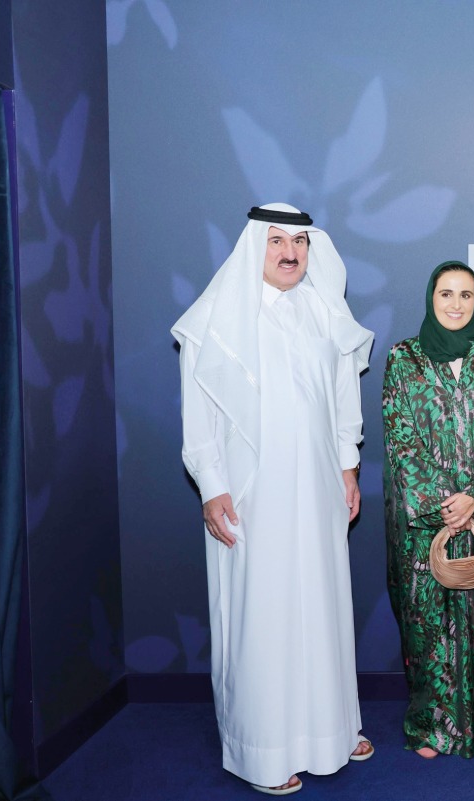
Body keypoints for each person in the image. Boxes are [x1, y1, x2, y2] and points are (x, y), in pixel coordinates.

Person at [172, 203, 375, 795]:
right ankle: (261, 750)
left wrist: (347, 465)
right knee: (261, 612)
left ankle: (332, 733)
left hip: (317, 487)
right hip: (250, 491)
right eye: (277, 242)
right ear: (255, 246)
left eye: (301, 243)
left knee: (321, 603)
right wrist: (212, 487)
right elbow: (199, 414)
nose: (291, 253)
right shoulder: (215, 317)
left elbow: (343, 399)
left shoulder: (323, 311)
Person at [383, 260, 474, 759]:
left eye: (466, 295)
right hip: (428, 522)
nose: (456, 304)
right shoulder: (405, 359)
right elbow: (401, 442)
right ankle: (432, 726)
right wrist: (447, 501)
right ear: (430, 297)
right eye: (446, 293)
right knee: (428, 622)